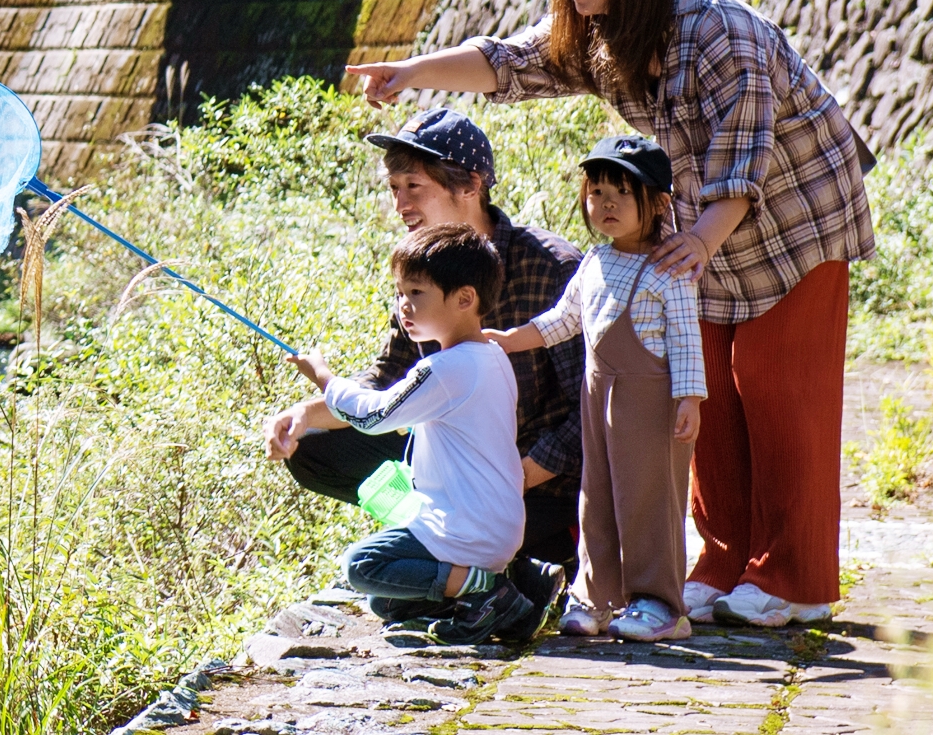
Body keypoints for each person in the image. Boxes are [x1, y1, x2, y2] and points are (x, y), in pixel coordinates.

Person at [354, 0, 875, 629]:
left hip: (793, 221)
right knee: (704, 399)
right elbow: (509, 62)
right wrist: (411, 72)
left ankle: (794, 577)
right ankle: (723, 560)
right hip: (698, 234)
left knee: (773, 383)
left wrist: (696, 238)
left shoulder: (721, 32)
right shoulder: (601, 33)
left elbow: (743, 161)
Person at [259, 107, 585, 582]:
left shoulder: (551, 266)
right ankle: (443, 549)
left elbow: (591, 406)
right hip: (454, 479)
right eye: (394, 189)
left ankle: (496, 562)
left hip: (537, 489)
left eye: (414, 187)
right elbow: (386, 384)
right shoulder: (419, 274)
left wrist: (516, 476)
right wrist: (305, 412)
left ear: (471, 185)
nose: (401, 205)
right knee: (313, 448)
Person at [489, 133, 704, 643]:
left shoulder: (669, 269)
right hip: (598, 400)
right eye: (596, 193)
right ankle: (598, 597)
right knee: (597, 496)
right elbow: (563, 321)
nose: (606, 205)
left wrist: (691, 398)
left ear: (655, 203)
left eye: (621, 194)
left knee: (648, 499)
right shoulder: (593, 262)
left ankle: (661, 605)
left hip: (652, 404)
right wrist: (508, 340)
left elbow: (687, 339)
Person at [287, 224, 538, 644]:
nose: (404, 306)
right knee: (386, 602)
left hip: (465, 527)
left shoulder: (444, 369)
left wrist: (325, 377)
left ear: (464, 299)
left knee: (362, 568)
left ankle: (492, 593)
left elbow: (373, 416)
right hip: (496, 526)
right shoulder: (492, 357)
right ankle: (491, 595)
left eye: (416, 294)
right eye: (400, 293)